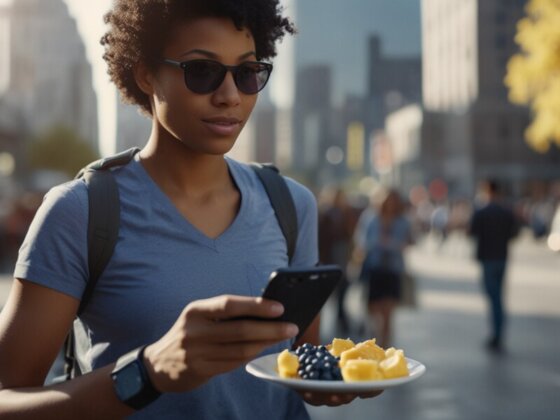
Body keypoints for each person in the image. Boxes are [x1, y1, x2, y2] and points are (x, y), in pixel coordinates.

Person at [0, 1, 379, 418]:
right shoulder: (81, 212)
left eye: (248, 73)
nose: (230, 96)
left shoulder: (291, 204)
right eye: (202, 71)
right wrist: (148, 372)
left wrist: (330, 376)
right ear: (145, 73)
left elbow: (295, 356)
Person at [355, 189, 412, 348]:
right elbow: (362, 240)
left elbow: (410, 240)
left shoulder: (403, 220)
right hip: (374, 267)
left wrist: (394, 244)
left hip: (393, 269)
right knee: (373, 310)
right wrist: (378, 243)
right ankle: (373, 342)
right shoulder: (370, 217)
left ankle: (385, 346)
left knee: (388, 312)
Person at [469, 179, 518, 353]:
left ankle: (497, 334)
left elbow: (472, 231)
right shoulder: (506, 211)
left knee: (494, 297)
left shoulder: (481, 212)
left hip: (487, 258)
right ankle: (498, 332)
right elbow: (514, 232)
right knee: (498, 296)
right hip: (501, 257)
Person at [318, 187, 355, 334]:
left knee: (341, 300)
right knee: (326, 301)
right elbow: (322, 240)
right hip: (329, 264)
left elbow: (350, 238)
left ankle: (343, 327)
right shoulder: (326, 215)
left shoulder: (347, 214)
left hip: (342, 264)